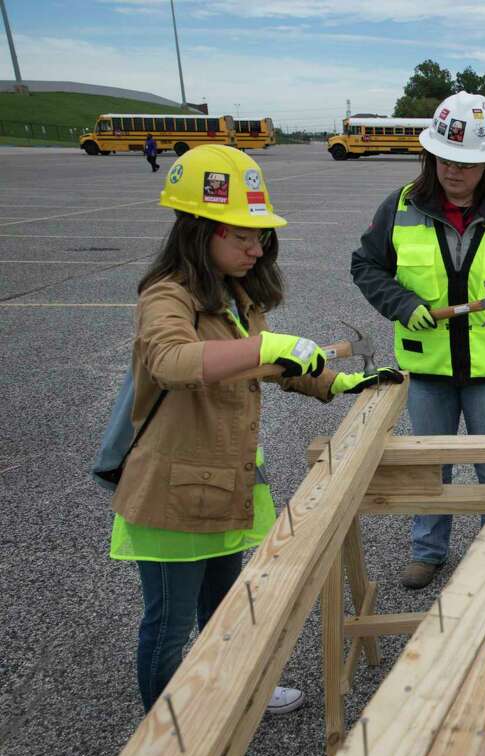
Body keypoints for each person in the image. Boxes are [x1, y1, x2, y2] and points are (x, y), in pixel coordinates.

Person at [110, 144, 401, 715]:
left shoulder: (234, 296)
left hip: (224, 479)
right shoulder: (166, 295)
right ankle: (165, 734)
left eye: (260, 235)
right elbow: (169, 361)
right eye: (240, 235)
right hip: (172, 491)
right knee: (168, 626)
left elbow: (269, 364)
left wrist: (337, 384)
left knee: (226, 604)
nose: (256, 247)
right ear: (197, 230)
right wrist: (264, 344)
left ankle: (235, 687)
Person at [351, 91, 485, 590]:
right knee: (431, 469)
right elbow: (365, 266)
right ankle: (428, 553)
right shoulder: (400, 206)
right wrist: (404, 305)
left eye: (465, 163)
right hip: (429, 370)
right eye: (444, 158)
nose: (452, 170)